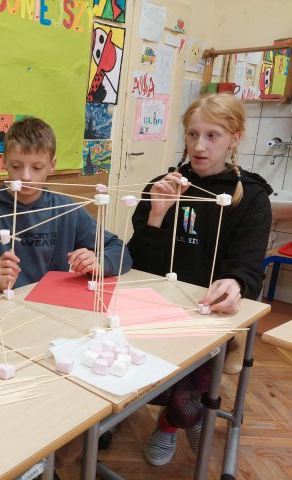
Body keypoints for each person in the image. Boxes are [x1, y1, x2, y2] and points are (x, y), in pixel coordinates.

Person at [127, 93, 272, 466]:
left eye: (212, 135)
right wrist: (157, 215)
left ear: (235, 138)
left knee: (194, 372)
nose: (199, 146)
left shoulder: (251, 196)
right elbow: (138, 262)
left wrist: (235, 283)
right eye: (193, 134)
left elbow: (248, 265)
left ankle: (173, 421)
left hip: (207, 313)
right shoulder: (163, 186)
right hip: (157, 306)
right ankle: (184, 416)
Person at [0, 116, 132, 301]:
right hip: (1, 310)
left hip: (50, 306)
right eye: (16, 166)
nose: (26, 176)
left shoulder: (66, 210)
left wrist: (99, 263)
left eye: (37, 167)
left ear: (52, 165)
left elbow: (120, 251)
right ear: (4, 162)